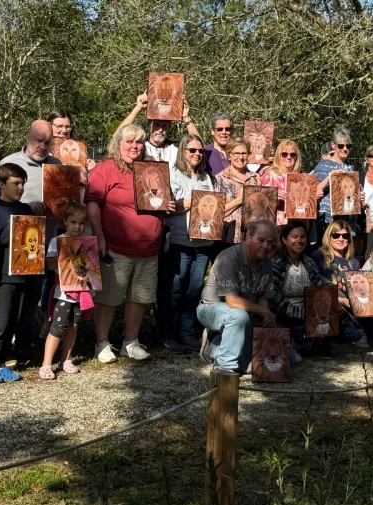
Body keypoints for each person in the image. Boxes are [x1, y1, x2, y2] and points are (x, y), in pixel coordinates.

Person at [85, 124, 175, 362]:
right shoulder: (105, 169)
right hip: (115, 247)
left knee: (140, 297)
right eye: (129, 141)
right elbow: (93, 204)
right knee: (109, 298)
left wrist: (167, 203)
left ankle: (130, 342)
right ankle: (102, 343)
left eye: (138, 142)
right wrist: (99, 236)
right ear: (118, 144)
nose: (134, 146)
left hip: (149, 249)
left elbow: (160, 198)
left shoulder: (151, 169)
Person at [0, 120, 59, 348]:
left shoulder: (57, 165)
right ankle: (3, 346)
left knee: (33, 297)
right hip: (13, 249)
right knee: (10, 299)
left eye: (48, 142)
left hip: (44, 243)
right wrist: (27, 208)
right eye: (38, 140)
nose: (42, 146)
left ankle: (24, 343)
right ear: (27, 137)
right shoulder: (9, 163)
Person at [156, 134, 214, 354]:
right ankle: (166, 334)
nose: (197, 154)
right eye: (192, 150)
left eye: (200, 151)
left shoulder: (206, 178)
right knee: (173, 290)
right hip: (179, 241)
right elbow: (166, 207)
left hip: (203, 243)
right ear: (182, 151)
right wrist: (191, 203)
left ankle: (186, 332)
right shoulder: (171, 175)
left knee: (193, 290)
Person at [196, 219, 277, 373]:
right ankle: (225, 368)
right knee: (238, 316)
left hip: (246, 314)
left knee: (259, 365)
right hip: (211, 309)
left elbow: (263, 296)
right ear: (248, 238)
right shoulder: (228, 257)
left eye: (270, 242)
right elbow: (232, 301)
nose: (266, 246)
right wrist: (263, 311)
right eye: (260, 240)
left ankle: (215, 344)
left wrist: (266, 317)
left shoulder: (267, 263)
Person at [0, 163, 34, 383]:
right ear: (1, 184)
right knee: (0, 321)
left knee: (13, 320)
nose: (20, 187)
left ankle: (1, 363)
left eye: (23, 183)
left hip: (24, 273)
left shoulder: (25, 209)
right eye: (15, 183)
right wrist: (12, 235)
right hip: (1, 274)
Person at [39, 202, 91, 379]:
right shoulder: (57, 241)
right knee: (57, 326)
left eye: (82, 223)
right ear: (65, 222)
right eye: (73, 222)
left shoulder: (87, 242)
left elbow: (90, 269)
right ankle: (46, 364)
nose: (78, 227)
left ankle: (65, 360)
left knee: (73, 326)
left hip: (81, 291)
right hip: (62, 292)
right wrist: (65, 252)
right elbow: (50, 264)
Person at [270, 221, 324, 363]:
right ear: (284, 239)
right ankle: (295, 344)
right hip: (284, 314)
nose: (299, 240)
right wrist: (300, 313)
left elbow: (318, 289)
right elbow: (273, 297)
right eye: (294, 237)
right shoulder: (276, 263)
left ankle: (302, 343)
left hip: (307, 314)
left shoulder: (310, 263)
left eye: (302, 237)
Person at [311, 220, 368, 348]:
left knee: (357, 333)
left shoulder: (354, 262)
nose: (341, 239)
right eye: (336, 235)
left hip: (348, 307)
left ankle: (341, 330)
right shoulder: (319, 256)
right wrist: (338, 299)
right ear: (329, 237)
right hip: (326, 303)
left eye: (345, 236)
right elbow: (314, 286)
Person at [117, 92, 200, 165]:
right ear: (149, 125)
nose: (160, 130)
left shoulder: (175, 148)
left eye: (164, 126)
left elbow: (198, 146)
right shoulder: (140, 146)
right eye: (156, 125)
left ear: (169, 128)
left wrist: (186, 116)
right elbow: (117, 137)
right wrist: (138, 108)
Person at [312, 125, 360, 241]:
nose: (345, 149)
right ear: (333, 145)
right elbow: (314, 191)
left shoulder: (350, 167)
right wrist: (330, 177)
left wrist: (360, 197)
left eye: (348, 146)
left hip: (349, 222)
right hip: (330, 221)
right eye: (341, 146)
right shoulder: (324, 165)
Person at [213, 137, 260, 244]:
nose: (240, 157)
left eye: (244, 153)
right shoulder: (219, 179)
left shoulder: (255, 178)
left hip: (251, 237)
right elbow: (218, 212)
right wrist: (240, 199)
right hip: (228, 236)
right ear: (229, 155)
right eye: (236, 153)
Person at [260, 139, 302, 226]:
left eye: (293, 154)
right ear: (278, 156)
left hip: (297, 224)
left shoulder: (301, 178)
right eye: (284, 154)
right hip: (274, 224)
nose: (289, 157)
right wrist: (273, 195)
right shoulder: (269, 176)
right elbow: (259, 201)